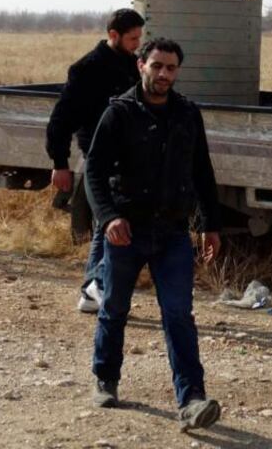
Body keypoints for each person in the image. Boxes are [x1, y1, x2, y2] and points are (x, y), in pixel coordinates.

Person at [85, 38, 223, 429]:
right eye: (157, 66)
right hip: (125, 232)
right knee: (114, 308)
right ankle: (105, 378)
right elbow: (93, 171)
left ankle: (192, 399)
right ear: (141, 65)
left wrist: (211, 225)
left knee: (178, 314)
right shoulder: (119, 113)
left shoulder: (187, 114)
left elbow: (202, 172)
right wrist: (109, 218)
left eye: (171, 68)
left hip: (172, 233)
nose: (163, 74)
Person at [46, 8, 144, 313]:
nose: (137, 44)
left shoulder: (133, 66)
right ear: (113, 35)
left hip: (128, 156)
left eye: (139, 38)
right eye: (132, 38)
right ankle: (96, 286)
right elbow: (61, 120)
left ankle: (94, 290)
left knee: (108, 223)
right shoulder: (87, 70)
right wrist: (60, 163)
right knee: (112, 221)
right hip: (99, 157)